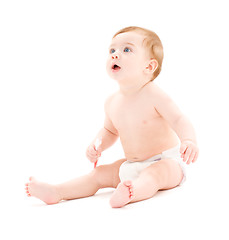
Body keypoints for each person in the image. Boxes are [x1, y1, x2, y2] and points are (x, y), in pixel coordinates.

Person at [25, 26, 199, 208]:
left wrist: (189, 140)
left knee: (154, 175)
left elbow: (179, 119)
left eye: (127, 49)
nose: (115, 54)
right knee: (99, 174)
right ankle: (57, 191)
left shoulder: (154, 95)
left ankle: (132, 193)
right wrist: (97, 144)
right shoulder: (112, 102)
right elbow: (109, 130)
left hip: (167, 163)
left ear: (149, 66)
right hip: (131, 164)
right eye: (112, 50)